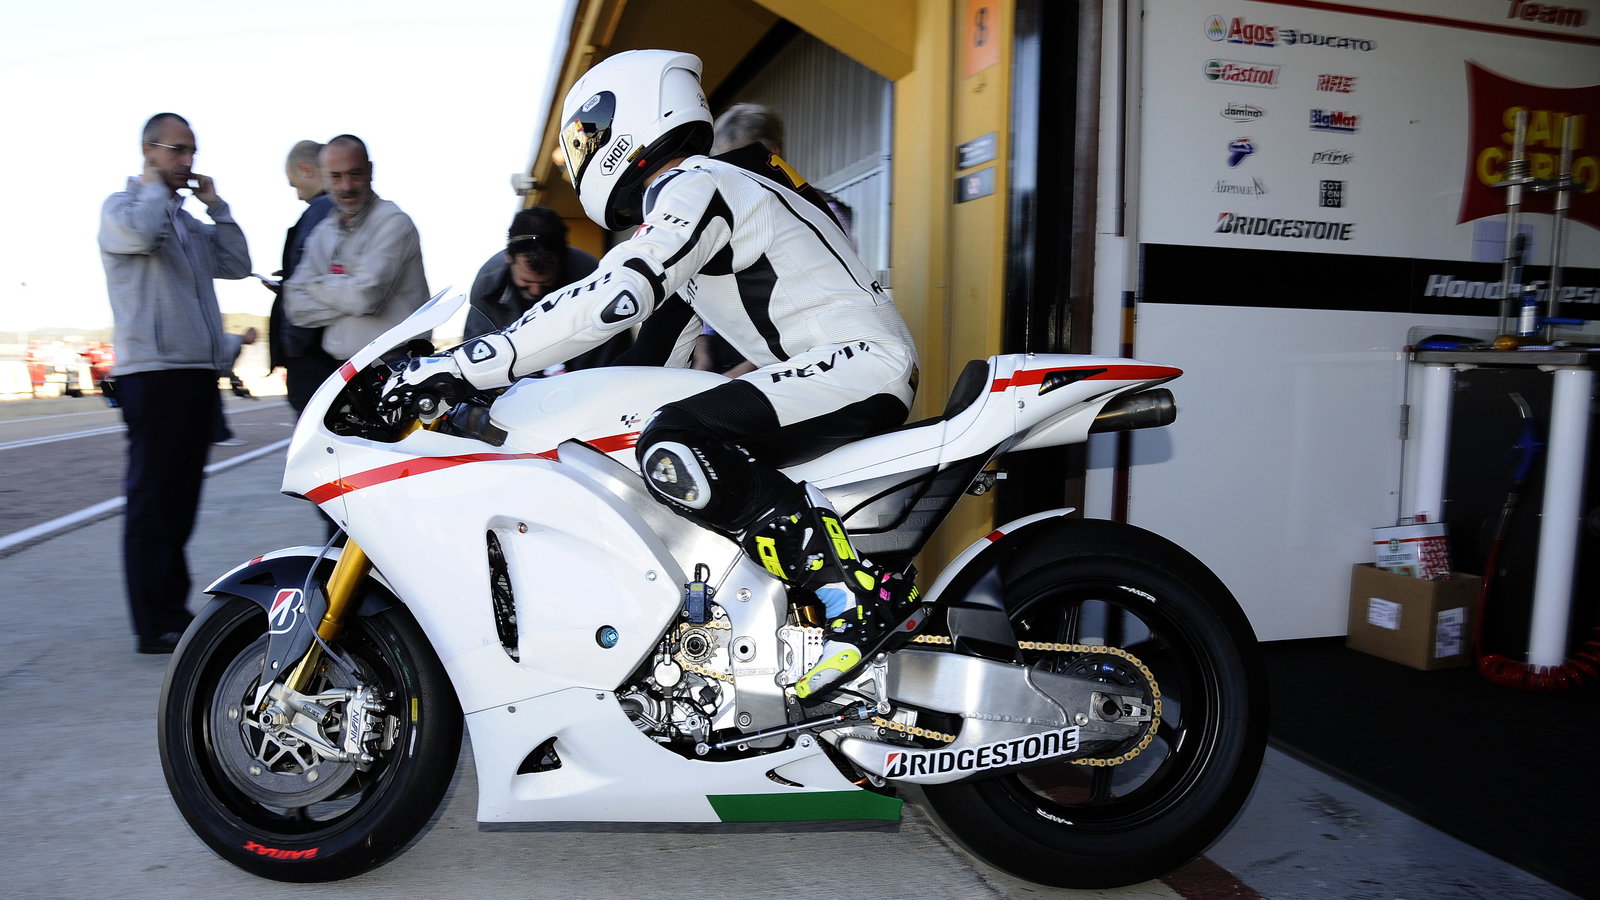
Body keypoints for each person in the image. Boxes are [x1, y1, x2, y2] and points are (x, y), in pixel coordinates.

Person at [384, 51, 920, 700]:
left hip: (859, 364)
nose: (580, 155)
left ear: (628, 119)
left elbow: (616, 294)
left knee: (676, 440)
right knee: (657, 447)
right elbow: (647, 362)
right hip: (840, 369)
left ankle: (853, 597)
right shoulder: (699, 206)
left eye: (585, 137)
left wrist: (466, 365)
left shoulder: (695, 183)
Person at [99, 112, 250, 654]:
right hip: (152, 374)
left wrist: (217, 207)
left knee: (180, 501)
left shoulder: (186, 223)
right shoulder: (122, 209)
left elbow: (235, 262)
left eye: (192, 152)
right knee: (153, 500)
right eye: (178, 150)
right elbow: (139, 235)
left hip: (193, 375)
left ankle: (170, 609)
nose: (187, 161)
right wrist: (155, 190)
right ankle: (153, 621)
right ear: (149, 150)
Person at [283, 134, 429, 362]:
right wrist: (347, 293)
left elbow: (364, 299)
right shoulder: (324, 232)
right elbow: (295, 307)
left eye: (355, 174)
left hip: (397, 365)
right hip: (345, 372)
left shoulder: (393, 222)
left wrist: (315, 284)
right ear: (324, 176)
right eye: (336, 176)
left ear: (370, 170)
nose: (346, 186)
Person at [466, 207, 632, 373]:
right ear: (508, 258)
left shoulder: (594, 277)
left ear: (562, 261)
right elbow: (476, 350)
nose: (536, 291)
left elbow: (612, 352)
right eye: (526, 282)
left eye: (546, 283)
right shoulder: (488, 286)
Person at [267, 140, 338, 413]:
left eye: (294, 184)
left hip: (315, 354)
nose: (297, 195)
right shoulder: (350, 212)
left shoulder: (320, 210)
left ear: (305, 169)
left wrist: (293, 346)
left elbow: (308, 286)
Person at [211, 327, 258, 446]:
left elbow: (228, 368)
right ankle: (220, 436)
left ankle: (215, 435)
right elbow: (226, 365)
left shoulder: (236, 342)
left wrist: (236, 384)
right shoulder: (235, 343)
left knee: (211, 406)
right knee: (215, 405)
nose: (256, 340)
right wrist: (235, 384)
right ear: (249, 334)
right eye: (255, 337)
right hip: (209, 372)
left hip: (210, 372)